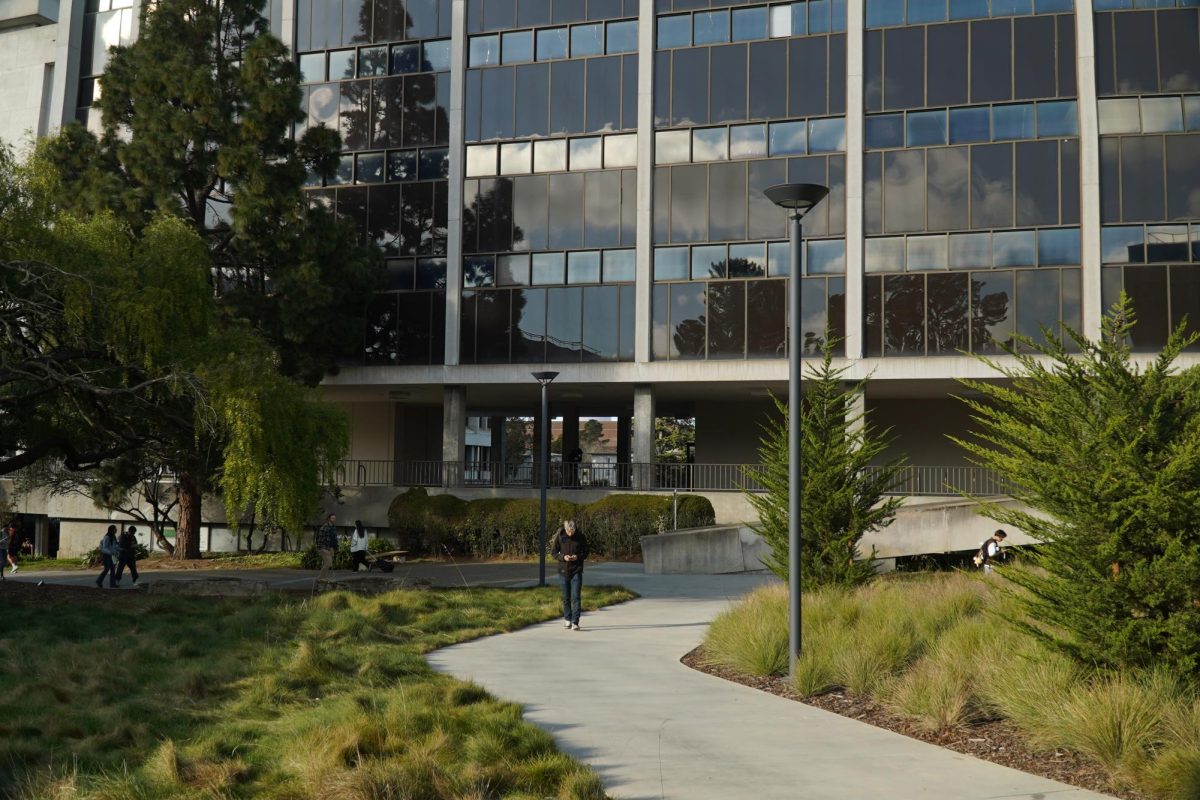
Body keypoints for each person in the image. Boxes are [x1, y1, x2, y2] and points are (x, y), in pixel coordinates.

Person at [551, 519, 589, 630]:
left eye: (572, 530)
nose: (570, 533)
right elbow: (554, 553)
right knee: (566, 597)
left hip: (576, 570)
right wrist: (563, 557)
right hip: (563, 571)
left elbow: (586, 551)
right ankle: (567, 619)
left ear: (575, 528)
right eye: (569, 530)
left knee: (576, 596)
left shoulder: (580, 537)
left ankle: (575, 622)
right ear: (565, 528)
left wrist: (578, 557)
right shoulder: (560, 536)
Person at [316, 513, 338, 582]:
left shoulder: (333, 527)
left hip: (330, 548)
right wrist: (323, 549)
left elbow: (334, 539)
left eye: (334, 518)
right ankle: (321, 577)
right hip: (324, 548)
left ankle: (322, 577)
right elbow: (320, 540)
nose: (334, 520)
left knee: (328, 563)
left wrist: (334, 548)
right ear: (329, 519)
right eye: (332, 518)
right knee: (328, 563)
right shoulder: (324, 527)